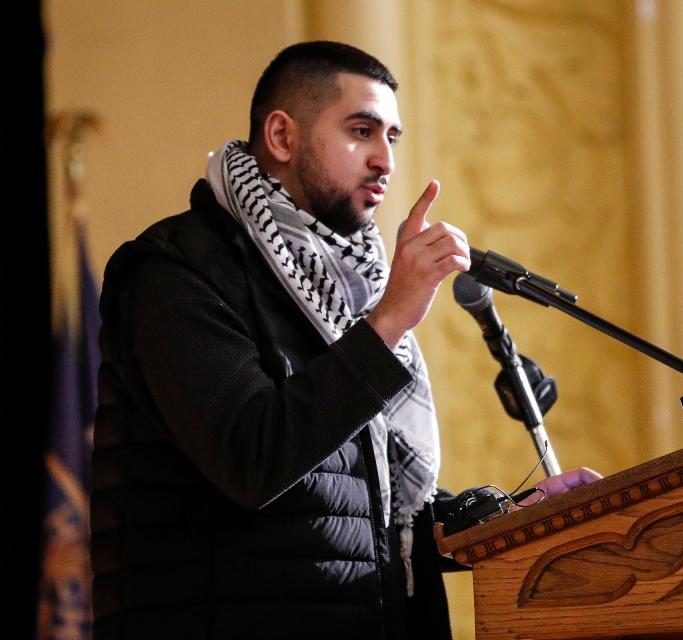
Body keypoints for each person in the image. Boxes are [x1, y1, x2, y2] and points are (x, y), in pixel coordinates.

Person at [91, 41, 600, 640]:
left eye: (393, 138)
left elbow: (356, 507)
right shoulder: (175, 273)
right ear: (281, 137)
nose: (385, 160)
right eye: (362, 131)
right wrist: (388, 324)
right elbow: (252, 460)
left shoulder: (347, 287)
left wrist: (507, 518)